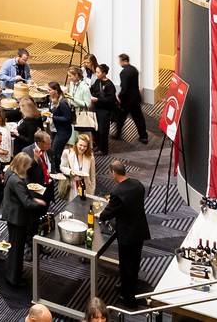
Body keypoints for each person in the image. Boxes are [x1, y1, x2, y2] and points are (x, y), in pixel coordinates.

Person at [97, 159, 150, 307]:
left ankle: (129, 299)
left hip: (127, 234)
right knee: (134, 262)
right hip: (139, 230)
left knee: (126, 265)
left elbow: (108, 213)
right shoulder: (138, 185)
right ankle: (130, 287)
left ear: (113, 173)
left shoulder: (117, 192)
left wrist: (100, 215)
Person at [1, 151, 47, 288]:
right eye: (26, 166)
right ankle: (13, 278)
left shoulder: (10, 171)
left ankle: (11, 273)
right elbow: (26, 203)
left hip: (12, 215)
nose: (27, 169)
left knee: (14, 246)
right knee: (17, 249)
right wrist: (38, 203)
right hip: (17, 218)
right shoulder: (17, 182)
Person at [115, 53, 149, 144]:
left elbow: (125, 87)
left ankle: (118, 134)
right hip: (136, 98)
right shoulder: (134, 70)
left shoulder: (124, 72)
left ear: (123, 61)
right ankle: (143, 136)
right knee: (139, 118)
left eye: (120, 61)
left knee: (121, 117)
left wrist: (120, 96)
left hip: (126, 100)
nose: (119, 63)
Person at [90, 64, 119, 155]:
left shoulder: (109, 85)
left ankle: (103, 149)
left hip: (105, 111)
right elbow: (94, 91)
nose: (97, 73)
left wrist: (98, 99)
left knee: (103, 130)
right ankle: (98, 145)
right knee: (95, 129)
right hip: (96, 108)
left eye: (98, 72)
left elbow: (110, 100)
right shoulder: (97, 81)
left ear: (104, 73)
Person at [46, 82, 73, 172]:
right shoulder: (52, 99)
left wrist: (53, 116)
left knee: (56, 151)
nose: (48, 91)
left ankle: (58, 170)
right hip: (55, 129)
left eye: (50, 90)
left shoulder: (62, 103)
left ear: (55, 90)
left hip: (63, 131)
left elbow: (68, 118)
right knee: (55, 149)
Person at [62, 133, 96, 197]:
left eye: (85, 146)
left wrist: (92, 190)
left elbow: (92, 175)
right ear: (76, 144)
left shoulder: (90, 157)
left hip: (85, 187)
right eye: (80, 145)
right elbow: (62, 167)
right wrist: (70, 172)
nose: (82, 148)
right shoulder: (67, 153)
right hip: (72, 186)